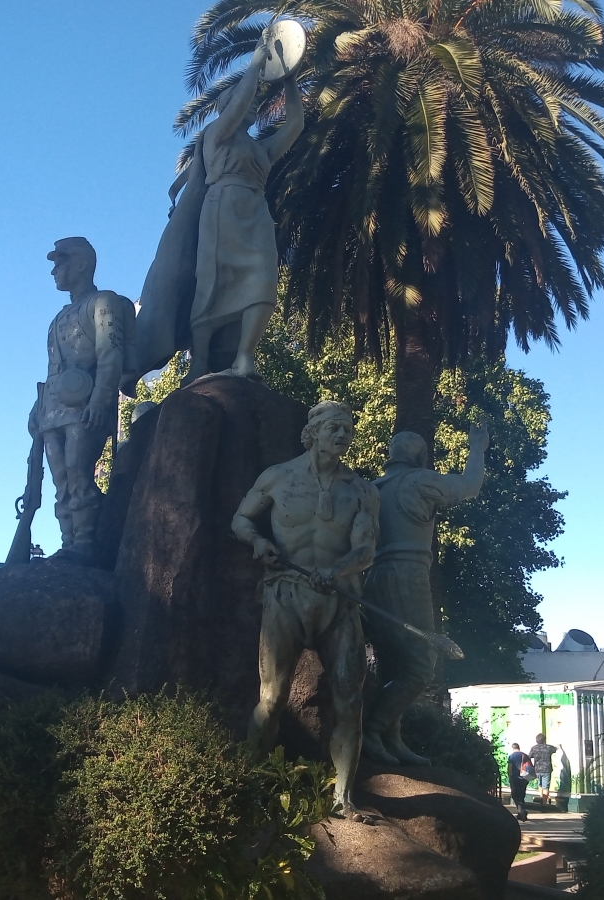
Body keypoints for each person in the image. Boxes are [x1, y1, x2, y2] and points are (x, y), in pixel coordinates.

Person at [129, 27, 304, 387]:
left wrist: (289, 78)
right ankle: (202, 359)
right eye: (245, 100)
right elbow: (240, 101)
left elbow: (296, 125)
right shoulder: (215, 135)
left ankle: (245, 356)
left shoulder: (260, 150)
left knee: (263, 282)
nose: (253, 104)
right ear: (227, 107)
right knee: (212, 282)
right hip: (220, 208)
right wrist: (257, 62)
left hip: (254, 213)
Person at [232, 401, 379, 816]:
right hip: (286, 595)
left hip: (340, 602)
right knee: (272, 698)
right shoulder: (278, 477)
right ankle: (250, 788)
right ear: (312, 432)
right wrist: (258, 542)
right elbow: (240, 520)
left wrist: (336, 570)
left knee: (350, 703)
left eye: (348, 428)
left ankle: (343, 799)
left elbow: (366, 549)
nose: (343, 434)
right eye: (335, 427)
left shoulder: (362, 490)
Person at [360, 426, 487, 765]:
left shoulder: (372, 488)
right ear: (419, 456)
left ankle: (393, 739)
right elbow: (469, 487)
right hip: (408, 574)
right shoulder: (419, 481)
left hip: (372, 578)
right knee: (420, 665)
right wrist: (477, 448)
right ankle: (372, 729)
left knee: (391, 664)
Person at [30, 237, 136, 561]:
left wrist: (101, 400)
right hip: (54, 410)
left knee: (79, 475)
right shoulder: (57, 319)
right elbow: (51, 370)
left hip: (85, 405)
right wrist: (38, 410)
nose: (54, 271)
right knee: (61, 481)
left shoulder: (104, 302)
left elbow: (111, 355)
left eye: (60, 263)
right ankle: (68, 544)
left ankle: (87, 545)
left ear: (81, 264)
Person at [507, 743, 532, 822]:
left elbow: (510, 767)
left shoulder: (511, 756)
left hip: (515, 778)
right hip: (524, 778)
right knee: (521, 795)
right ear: (519, 747)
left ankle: (522, 811)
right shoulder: (525, 755)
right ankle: (520, 813)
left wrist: (509, 776)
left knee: (515, 795)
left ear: (513, 748)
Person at [529, 733, 556, 806]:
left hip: (537, 769)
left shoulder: (534, 748)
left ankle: (541, 798)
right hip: (547, 769)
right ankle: (544, 804)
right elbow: (555, 749)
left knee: (540, 785)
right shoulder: (548, 747)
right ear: (544, 740)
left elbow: (529, 756)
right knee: (546, 787)